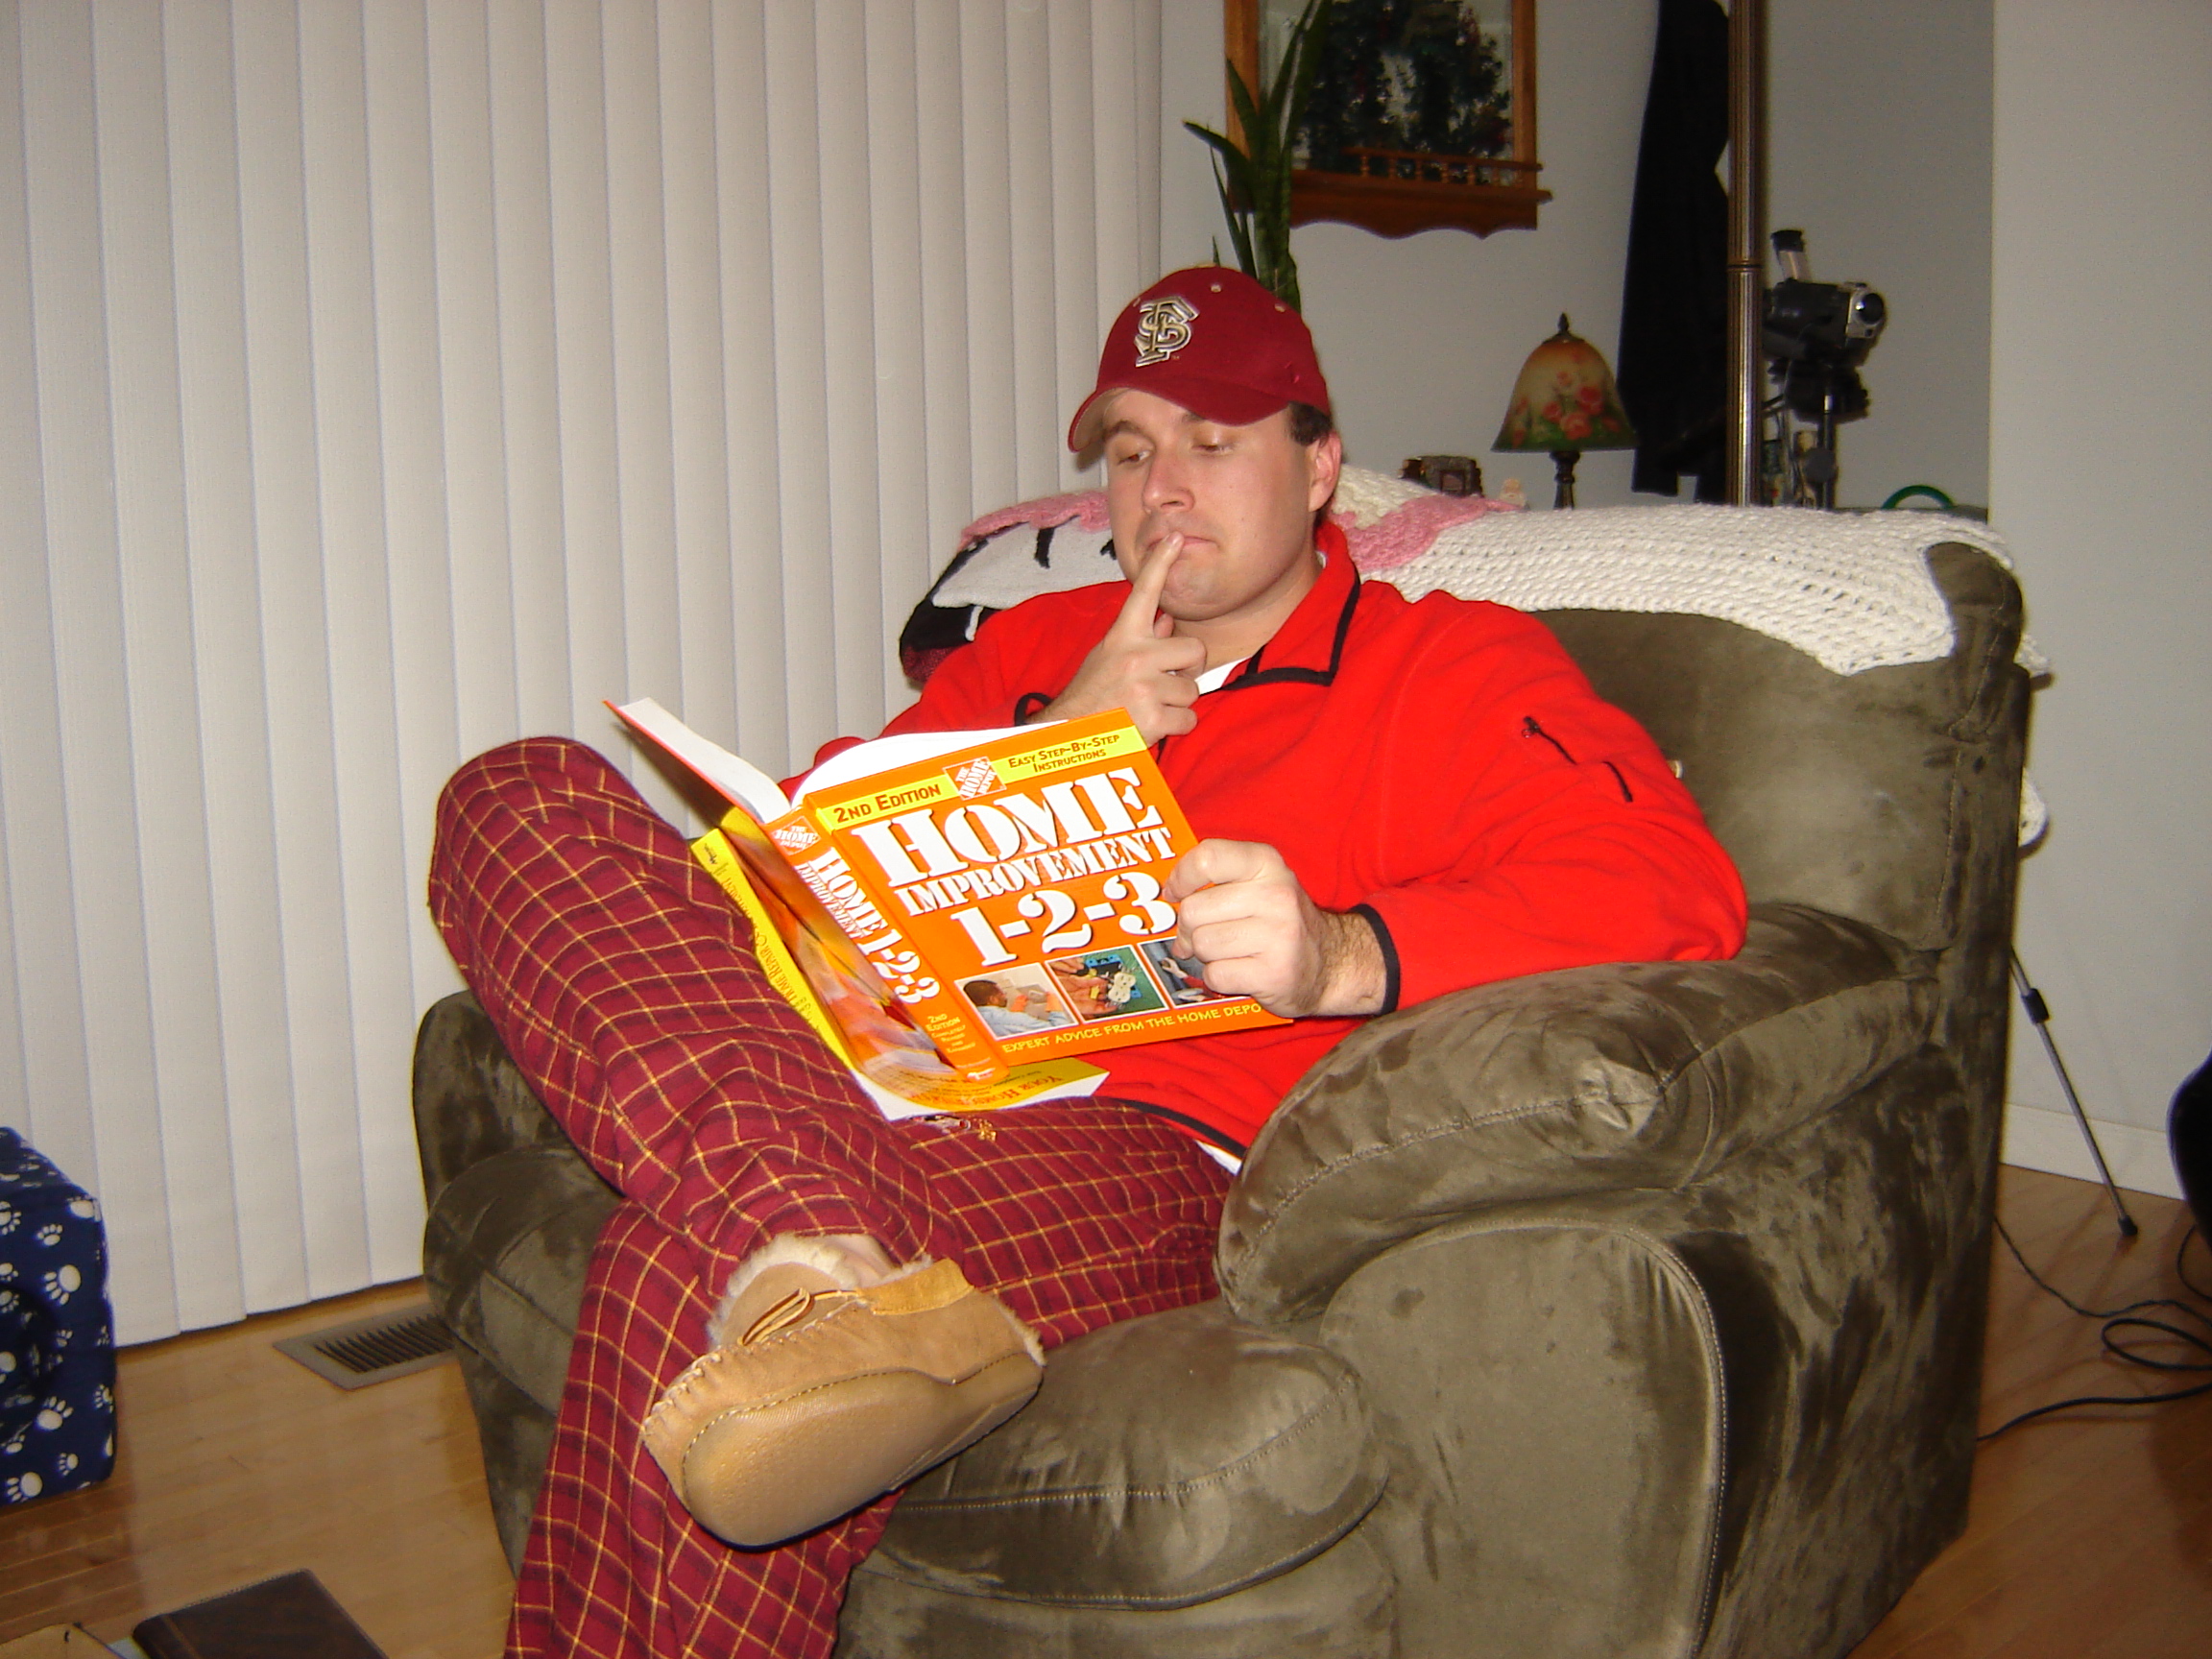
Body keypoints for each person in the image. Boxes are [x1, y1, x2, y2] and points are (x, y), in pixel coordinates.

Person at [428, 267, 1746, 1659]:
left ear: (1319, 469)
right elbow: (802, 860)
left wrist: (1339, 956)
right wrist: (1049, 737)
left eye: (1212, 442)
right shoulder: (1032, 652)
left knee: (671, 1276)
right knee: (517, 790)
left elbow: (1675, 882)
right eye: (1128, 452)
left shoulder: (1444, 667)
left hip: (1150, 1142)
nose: (1161, 488)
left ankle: (790, 1259)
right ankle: (804, 1251)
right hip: (872, 1088)